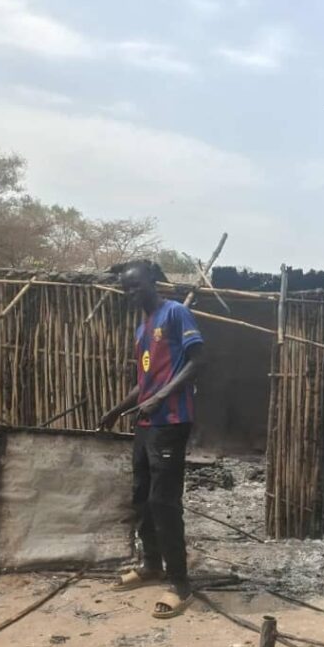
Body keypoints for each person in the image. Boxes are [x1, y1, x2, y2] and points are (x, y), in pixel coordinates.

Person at [99, 260, 205, 619]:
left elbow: (197, 361)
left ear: (153, 283)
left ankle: (180, 583)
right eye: (126, 288)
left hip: (171, 421)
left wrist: (161, 397)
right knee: (142, 497)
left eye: (136, 286)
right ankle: (151, 564)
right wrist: (116, 410)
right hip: (147, 423)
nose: (131, 293)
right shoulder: (142, 328)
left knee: (164, 501)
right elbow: (144, 383)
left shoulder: (175, 313)